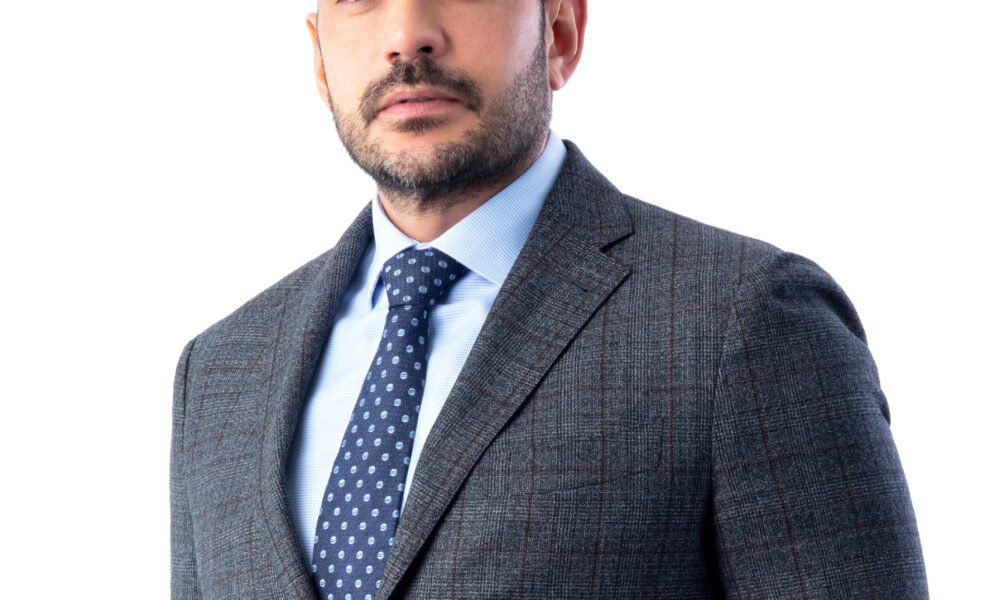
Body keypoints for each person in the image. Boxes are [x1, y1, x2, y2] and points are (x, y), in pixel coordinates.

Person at [170, 0, 928, 598]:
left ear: (560, 31)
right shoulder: (220, 374)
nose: (407, 35)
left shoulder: (747, 321)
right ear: (318, 59)